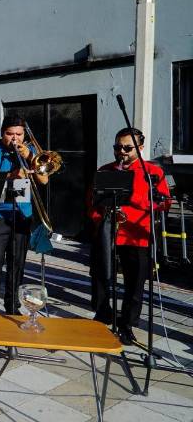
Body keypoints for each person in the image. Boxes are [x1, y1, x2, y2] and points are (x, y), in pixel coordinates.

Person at [88, 128, 170, 345]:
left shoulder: (152, 172)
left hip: (136, 234)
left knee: (135, 283)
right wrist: (100, 218)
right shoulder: (105, 170)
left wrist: (136, 200)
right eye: (117, 147)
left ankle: (127, 324)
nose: (121, 151)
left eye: (127, 147)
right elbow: (92, 201)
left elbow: (165, 202)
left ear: (140, 148)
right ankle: (103, 313)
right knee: (101, 275)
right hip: (108, 232)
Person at [0, 115, 48, 315]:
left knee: (17, 265)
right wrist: (11, 176)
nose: (14, 138)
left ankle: (12, 306)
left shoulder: (31, 153)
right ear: (2, 133)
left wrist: (29, 158)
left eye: (18, 134)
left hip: (22, 213)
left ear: (24, 135)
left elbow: (43, 180)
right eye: (9, 134)